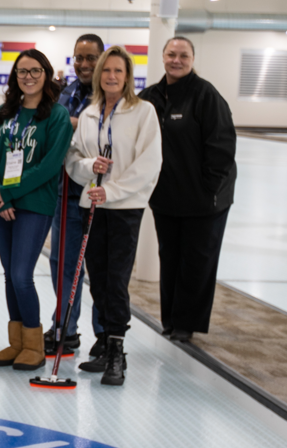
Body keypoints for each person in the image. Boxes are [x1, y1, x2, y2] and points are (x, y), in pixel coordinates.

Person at [65, 46, 162, 385]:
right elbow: (73, 159)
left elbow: (149, 165)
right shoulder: (90, 113)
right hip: (92, 206)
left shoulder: (143, 112)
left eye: (118, 71)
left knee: (117, 282)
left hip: (123, 209)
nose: (111, 76)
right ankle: (106, 343)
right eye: (106, 70)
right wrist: (90, 168)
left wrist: (112, 191)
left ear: (128, 76)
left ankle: (118, 353)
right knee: (99, 281)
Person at [139, 35, 237, 344]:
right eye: (171, 54)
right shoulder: (150, 96)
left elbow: (221, 147)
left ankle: (186, 324)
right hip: (167, 197)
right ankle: (170, 319)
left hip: (204, 200)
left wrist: (210, 188)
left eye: (183, 55)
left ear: (192, 59)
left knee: (196, 261)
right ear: (163, 56)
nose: (176, 60)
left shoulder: (205, 95)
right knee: (170, 258)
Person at [0, 49, 73, 371]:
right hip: (1, 204)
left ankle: (34, 344)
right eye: (22, 71)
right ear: (14, 76)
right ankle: (16, 342)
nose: (28, 77)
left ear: (45, 74)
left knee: (21, 274)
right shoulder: (4, 113)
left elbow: (49, 166)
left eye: (35, 71)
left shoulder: (57, 116)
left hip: (34, 204)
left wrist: (9, 192)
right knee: (9, 275)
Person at [46, 33, 107, 356]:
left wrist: (74, 124)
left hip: (97, 194)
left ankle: (104, 334)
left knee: (99, 266)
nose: (84, 64)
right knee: (63, 263)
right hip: (64, 191)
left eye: (91, 58)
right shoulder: (66, 92)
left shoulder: (109, 95)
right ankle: (64, 327)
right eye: (79, 57)